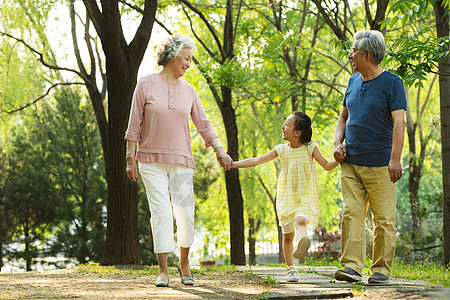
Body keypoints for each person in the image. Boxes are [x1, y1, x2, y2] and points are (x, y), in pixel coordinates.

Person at [124, 34, 232, 288]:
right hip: (150, 160)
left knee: (185, 214)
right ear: (172, 56)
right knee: (160, 214)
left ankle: (184, 263)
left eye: (190, 59)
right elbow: (134, 126)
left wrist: (219, 149)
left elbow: (204, 125)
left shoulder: (189, 91)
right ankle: (163, 270)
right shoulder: (145, 84)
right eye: (187, 58)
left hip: (182, 160)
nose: (189, 63)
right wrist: (130, 158)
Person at [333, 30, 407, 284]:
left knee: (384, 219)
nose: (350, 54)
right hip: (350, 162)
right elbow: (343, 117)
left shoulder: (392, 83)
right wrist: (337, 143)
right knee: (352, 214)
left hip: (380, 165)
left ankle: (381, 270)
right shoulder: (353, 81)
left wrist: (395, 159)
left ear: (367, 54)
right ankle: (352, 266)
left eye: (354, 50)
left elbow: (399, 123)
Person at [232, 111, 339, 283]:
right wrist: (233, 164)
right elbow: (256, 161)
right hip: (286, 195)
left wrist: (339, 159)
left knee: (300, 220)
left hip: (305, 194)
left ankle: (302, 241)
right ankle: (291, 268)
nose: (283, 127)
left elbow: (327, 165)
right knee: (287, 235)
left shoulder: (311, 148)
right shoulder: (280, 150)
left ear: (297, 132)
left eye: (287, 124)